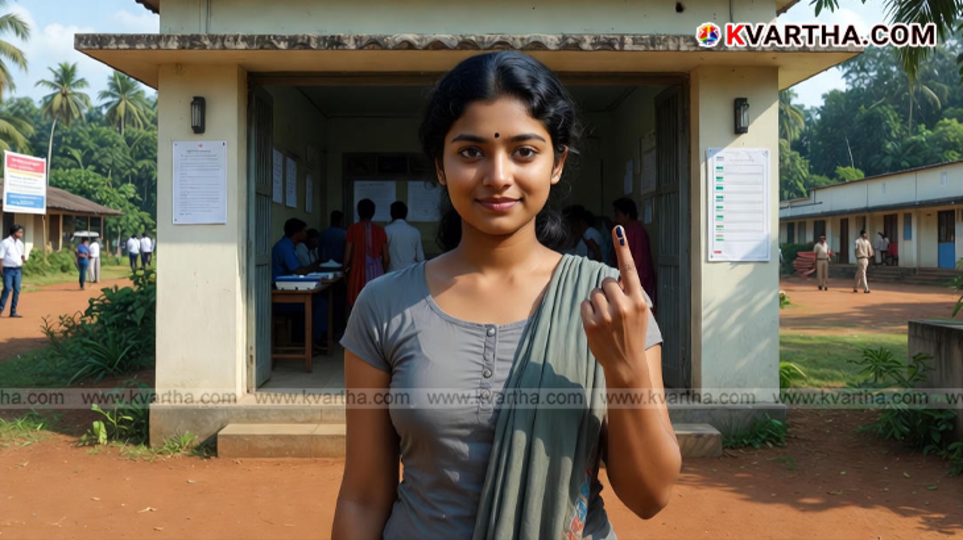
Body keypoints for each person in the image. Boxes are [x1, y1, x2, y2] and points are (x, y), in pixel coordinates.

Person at [333, 51, 679, 540]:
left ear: (557, 163)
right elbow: (363, 496)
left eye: (524, 151)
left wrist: (624, 367)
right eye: (471, 152)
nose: (498, 176)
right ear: (439, 165)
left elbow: (650, 495)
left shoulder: (610, 302)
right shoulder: (383, 305)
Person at [272, 218, 326, 344]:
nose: (306, 234)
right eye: (304, 231)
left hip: (286, 289)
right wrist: (316, 265)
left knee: (318, 300)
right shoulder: (285, 247)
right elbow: (299, 271)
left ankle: (304, 340)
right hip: (280, 294)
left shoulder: (289, 246)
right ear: (296, 233)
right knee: (319, 303)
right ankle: (316, 340)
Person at [612, 197, 658, 307]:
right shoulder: (630, 229)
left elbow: (638, 259)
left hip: (638, 279)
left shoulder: (636, 231)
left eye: (618, 215)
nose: (616, 219)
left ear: (627, 214)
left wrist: (626, 279)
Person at [344, 198, 388, 306]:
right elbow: (386, 258)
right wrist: (383, 271)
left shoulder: (352, 229)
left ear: (358, 212)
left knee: (356, 304)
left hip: (357, 272)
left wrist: (344, 270)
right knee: (376, 304)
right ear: (373, 213)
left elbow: (347, 256)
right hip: (377, 273)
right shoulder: (380, 231)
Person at [384, 201, 425, 273]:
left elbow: (384, 257)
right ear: (406, 214)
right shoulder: (415, 231)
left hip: (392, 273)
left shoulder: (386, 230)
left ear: (391, 214)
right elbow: (420, 258)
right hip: (410, 272)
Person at [0, 225, 27, 318]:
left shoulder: (20, 244)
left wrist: (23, 258)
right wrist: (1, 271)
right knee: (7, 288)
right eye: (19, 232)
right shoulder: (5, 243)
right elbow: (1, 258)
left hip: (17, 269)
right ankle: (0, 308)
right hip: (8, 269)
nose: (21, 234)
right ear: (14, 232)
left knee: (17, 289)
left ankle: (13, 311)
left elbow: (21, 255)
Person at [855, 229, 874, 293]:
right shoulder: (857, 241)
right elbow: (856, 249)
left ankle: (855, 287)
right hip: (860, 258)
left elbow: (870, 251)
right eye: (864, 234)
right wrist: (857, 256)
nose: (866, 235)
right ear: (861, 234)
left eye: (866, 234)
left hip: (865, 259)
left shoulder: (867, 242)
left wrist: (871, 255)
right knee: (863, 273)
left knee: (859, 273)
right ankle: (866, 288)